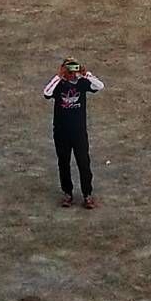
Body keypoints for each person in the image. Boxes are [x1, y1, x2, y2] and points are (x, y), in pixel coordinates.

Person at [42, 59, 105, 209]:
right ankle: (67, 194)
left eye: (73, 70)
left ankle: (87, 194)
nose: (71, 74)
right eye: (69, 70)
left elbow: (100, 86)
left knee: (84, 163)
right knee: (63, 163)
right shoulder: (59, 85)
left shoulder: (82, 83)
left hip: (79, 133)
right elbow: (46, 93)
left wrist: (86, 74)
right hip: (61, 132)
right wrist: (58, 76)